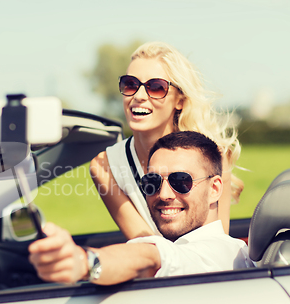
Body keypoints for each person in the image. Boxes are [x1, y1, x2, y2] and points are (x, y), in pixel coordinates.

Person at [29, 131, 253, 285]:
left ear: (214, 189)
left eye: (181, 181)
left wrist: (84, 262)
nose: (164, 194)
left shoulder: (215, 254)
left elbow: (149, 257)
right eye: (152, 183)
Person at [90, 42, 243, 240]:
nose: (139, 96)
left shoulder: (214, 156)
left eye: (156, 87)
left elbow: (215, 248)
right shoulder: (104, 166)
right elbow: (145, 245)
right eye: (130, 84)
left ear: (179, 100)